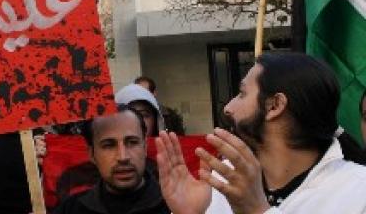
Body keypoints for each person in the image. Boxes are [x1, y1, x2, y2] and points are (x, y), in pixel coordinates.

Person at [157, 52, 366, 213]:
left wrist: (256, 210)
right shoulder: (224, 178)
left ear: (274, 105)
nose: (228, 108)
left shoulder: (357, 191)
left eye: (242, 94)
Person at [53, 104, 169, 214]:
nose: (123, 157)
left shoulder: (172, 204)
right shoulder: (70, 209)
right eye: (109, 145)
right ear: (92, 154)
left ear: (145, 148)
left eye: (132, 142)